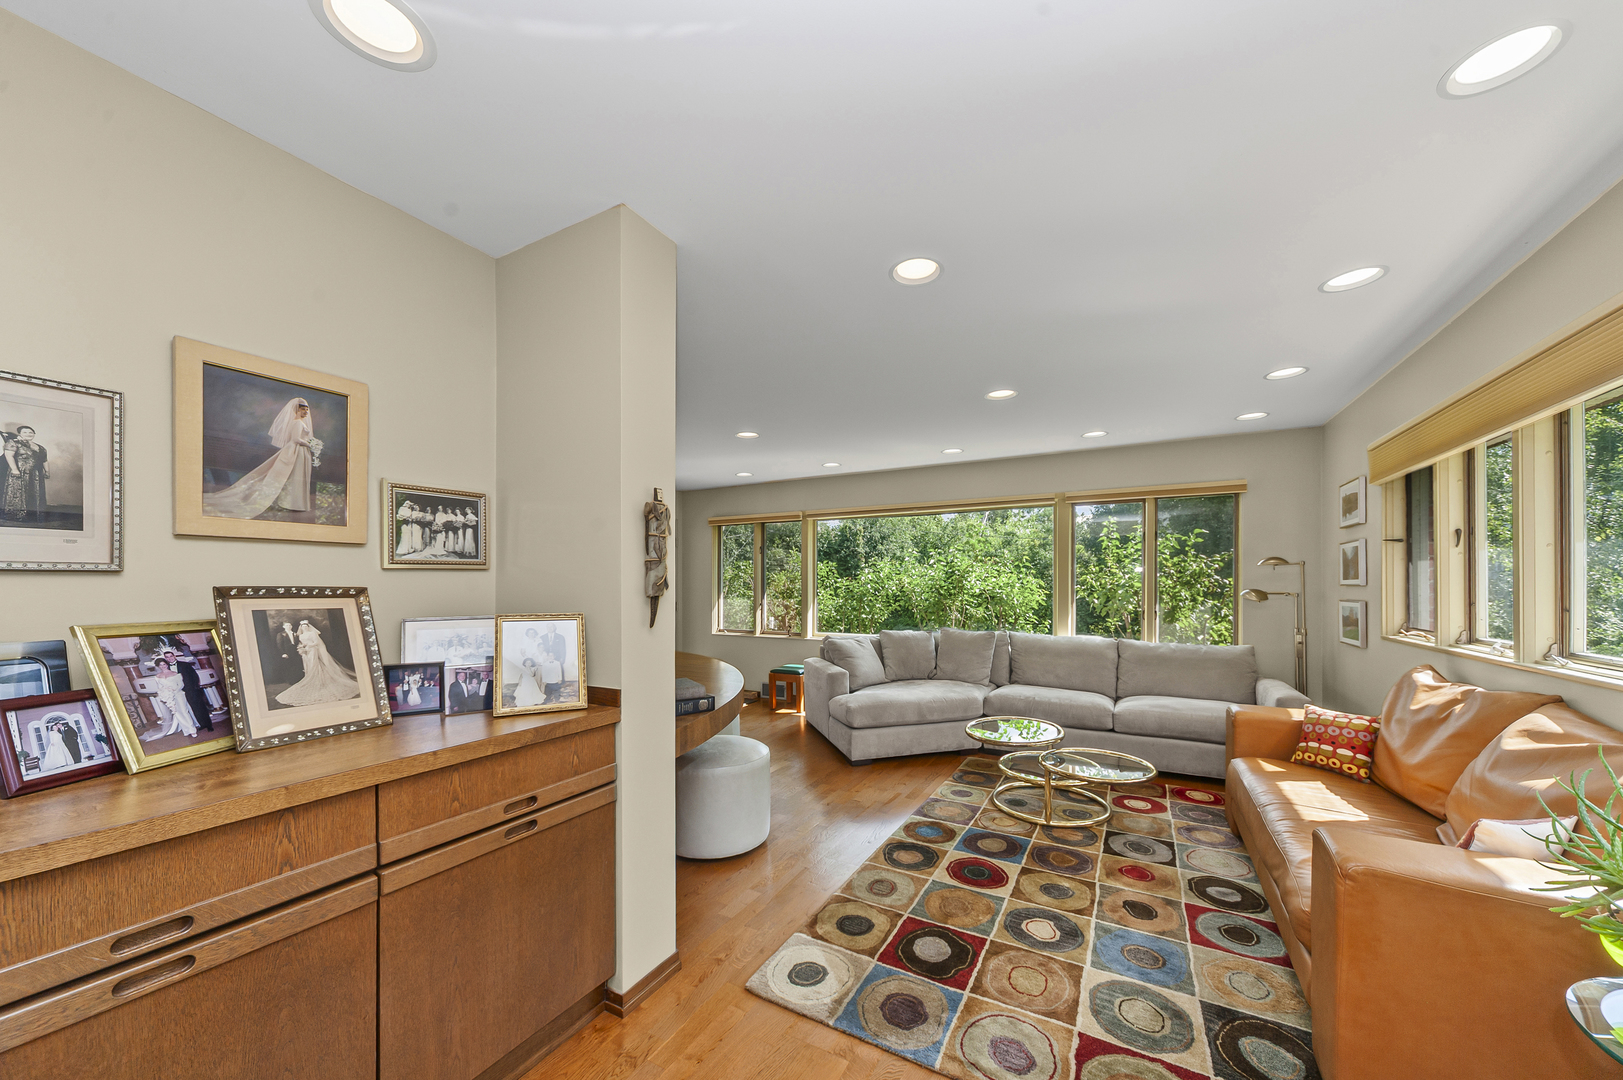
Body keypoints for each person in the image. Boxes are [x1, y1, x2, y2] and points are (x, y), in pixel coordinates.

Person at [201, 398, 314, 520]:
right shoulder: (297, 423)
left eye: (307, 410)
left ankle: (294, 502)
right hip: (295, 450)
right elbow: (296, 439)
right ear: (297, 410)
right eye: (304, 409)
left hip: (299, 451)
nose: (306, 412)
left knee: (295, 476)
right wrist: (310, 444)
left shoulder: (299, 422)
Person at [275, 619, 360, 707]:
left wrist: (309, 646)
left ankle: (318, 680)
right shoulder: (299, 635)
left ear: (308, 627)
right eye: (303, 627)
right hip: (305, 653)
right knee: (308, 666)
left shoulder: (312, 633)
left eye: (305, 627)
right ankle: (308, 678)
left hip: (312, 650)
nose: (304, 628)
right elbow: (298, 644)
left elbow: (316, 642)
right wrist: (301, 648)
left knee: (314, 664)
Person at [163, 649, 215, 732]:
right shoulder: (166, 668)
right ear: (165, 658)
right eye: (167, 657)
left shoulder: (185, 665)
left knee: (199, 707)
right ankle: (201, 724)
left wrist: (195, 687)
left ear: (174, 656)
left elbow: (194, 676)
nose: (170, 658)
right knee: (191, 709)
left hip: (190, 690)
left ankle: (208, 725)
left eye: (171, 656)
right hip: (178, 692)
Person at [152, 660, 201, 738]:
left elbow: (181, 685)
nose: (163, 666)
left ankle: (192, 730)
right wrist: (164, 694)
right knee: (176, 712)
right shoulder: (157, 676)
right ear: (158, 666)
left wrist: (174, 691)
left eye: (164, 664)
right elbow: (160, 687)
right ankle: (186, 730)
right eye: (160, 665)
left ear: (167, 664)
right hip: (169, 697)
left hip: (179, 694)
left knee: (184, 711)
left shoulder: (175, 674)